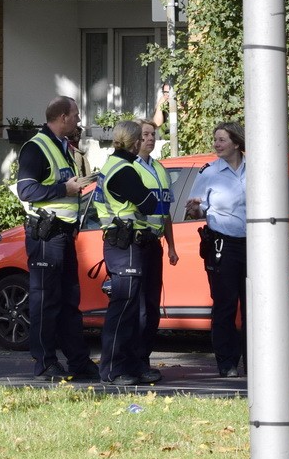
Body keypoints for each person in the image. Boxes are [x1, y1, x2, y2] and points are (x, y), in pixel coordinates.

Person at [16, 96, 99, 381]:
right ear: (62, 116)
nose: (79, 119)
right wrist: (65, 188)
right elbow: (26, 191)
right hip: (45, 235)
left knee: (69, 302)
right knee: (45, 301)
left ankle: (78, 361)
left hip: (63, 234)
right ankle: (44, 362)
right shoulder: (36, 147)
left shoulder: (64, 147)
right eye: (76, 114)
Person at [93, 120, 162, 386]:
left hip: (121, 243)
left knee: (129, 310)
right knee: (123, 311)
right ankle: (112, 370)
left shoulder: (112, 165)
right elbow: (149, 203)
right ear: (134, 142)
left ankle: (126, 367)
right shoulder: (124, 170)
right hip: (124, 244)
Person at [185, 122, 247, 377]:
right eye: (215, 139)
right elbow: (195, 210)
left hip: (254, 245)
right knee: (225, 304)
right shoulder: (209, 172)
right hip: (223, 244)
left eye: (222, 140)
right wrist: (194, 209)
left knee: (255, 305)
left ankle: (255, 361)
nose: (217, 144)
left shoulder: (256, 168)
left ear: (236, 142)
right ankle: (227, 362)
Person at [134, 119, 179, 375]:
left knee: (151, 306)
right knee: (139, 308)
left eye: (153, 134)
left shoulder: (160, 169)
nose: (150, 138)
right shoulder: (132, 167)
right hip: (137, 243)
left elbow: (166, 212)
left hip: (155, 245)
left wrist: (172, 245)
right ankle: (137, 360)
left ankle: (145, 358)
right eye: (145, 134)